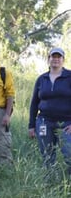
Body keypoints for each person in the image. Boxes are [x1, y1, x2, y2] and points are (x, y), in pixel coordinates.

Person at [28, 47, 71, 177]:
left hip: (66, 124)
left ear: (63, 60)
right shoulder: (42, 79)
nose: (55, 59)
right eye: (53, 56)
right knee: (46, 153)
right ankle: (49, 181)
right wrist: (31, 125)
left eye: (59, 57)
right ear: (48, 59)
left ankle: (68, 183)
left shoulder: (69, 77)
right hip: (44, 122)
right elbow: (34, 103)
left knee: (68, 153)